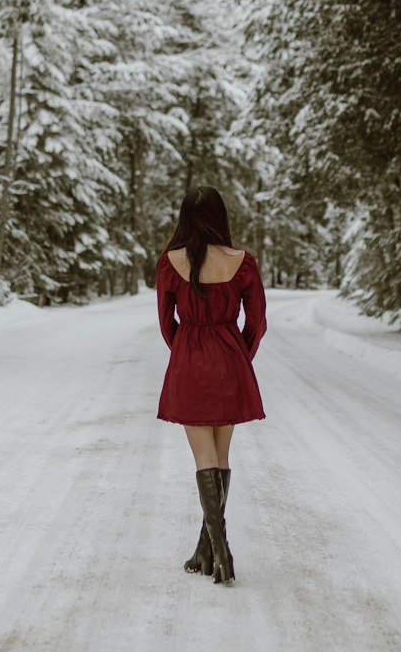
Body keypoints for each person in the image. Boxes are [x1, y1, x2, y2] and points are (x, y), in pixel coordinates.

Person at [156, 186, 267, 586]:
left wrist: (186, 353)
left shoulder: (170, 263)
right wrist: (238, 358)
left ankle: (221, 554)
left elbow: (166, 324)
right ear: (220, 217)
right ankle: (209, 550)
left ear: (185, 218)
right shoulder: (243, 262)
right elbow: (257, 323)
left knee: (205, 459)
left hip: (190, 360)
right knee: (220, 457)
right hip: (229, 360)